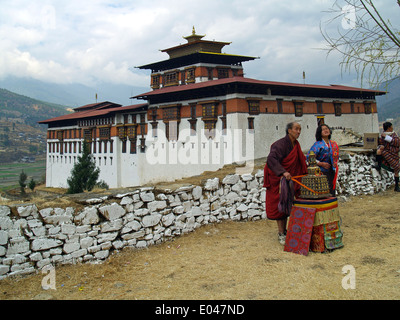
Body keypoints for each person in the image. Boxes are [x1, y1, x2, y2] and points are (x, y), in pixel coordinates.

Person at [263, 122, 308, 245]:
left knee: (288, 204)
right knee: (281, 205)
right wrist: (283, 172)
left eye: (300, 129)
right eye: (296, 129)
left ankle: (287, 230)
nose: (298, 132)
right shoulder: (280, 144)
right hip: (279, 179)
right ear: (289, 130)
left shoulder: (295, 145)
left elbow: (301, 160)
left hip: (289, 179)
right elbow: (271, 159)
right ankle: (281, 233)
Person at [306, 124, 339, 196]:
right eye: (323, 129)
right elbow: (309, 157)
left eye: (327, 128)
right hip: (321, 171)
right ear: (319, 133)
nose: (326, 130)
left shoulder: (333, 144)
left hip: (331, 170)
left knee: (331, 187)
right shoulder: (317, 144)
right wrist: (321, 164)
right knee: (323, 189)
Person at [376, 122, 400, 192]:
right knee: (379, 151)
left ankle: (396, 186)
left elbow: (397, 142)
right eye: (391, 126)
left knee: (397, 169)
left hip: (394, 154)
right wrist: (381, 146)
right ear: (389, 128)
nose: (392, 128)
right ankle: (378, 165)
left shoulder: (393, 134)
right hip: (387, 153)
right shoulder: (382, 136)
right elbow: (381, 143)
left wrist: (387, 138)